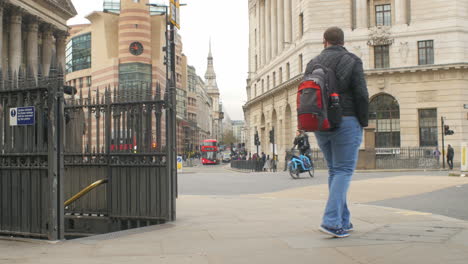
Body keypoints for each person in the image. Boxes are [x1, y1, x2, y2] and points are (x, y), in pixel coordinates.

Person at [306, 27, 369, 238]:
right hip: (347, 119)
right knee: (342, 170)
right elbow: (361, 94)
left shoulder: (312, 63)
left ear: (324, 41)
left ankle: (344, 220)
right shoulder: (352, 60)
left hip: (321, 122)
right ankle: (331, 222)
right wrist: (363, 120)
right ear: (342, 41)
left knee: (335, 171)